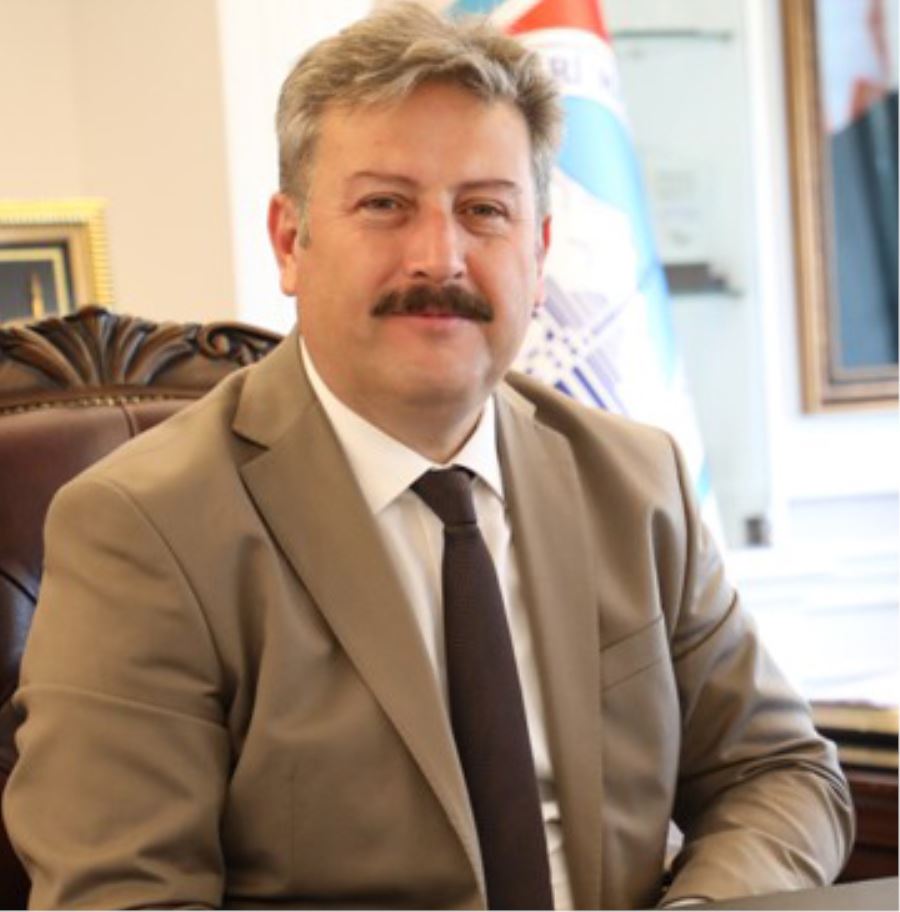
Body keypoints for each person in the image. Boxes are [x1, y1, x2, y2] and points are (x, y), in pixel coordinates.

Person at [4, 4, 852, 909]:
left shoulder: (634, 480)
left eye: (485, 211)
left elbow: (782, 773)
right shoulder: (144, 527)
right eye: (385, 205)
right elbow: (125, 897)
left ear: (539, 249)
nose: (439, 258)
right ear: (291, 242)